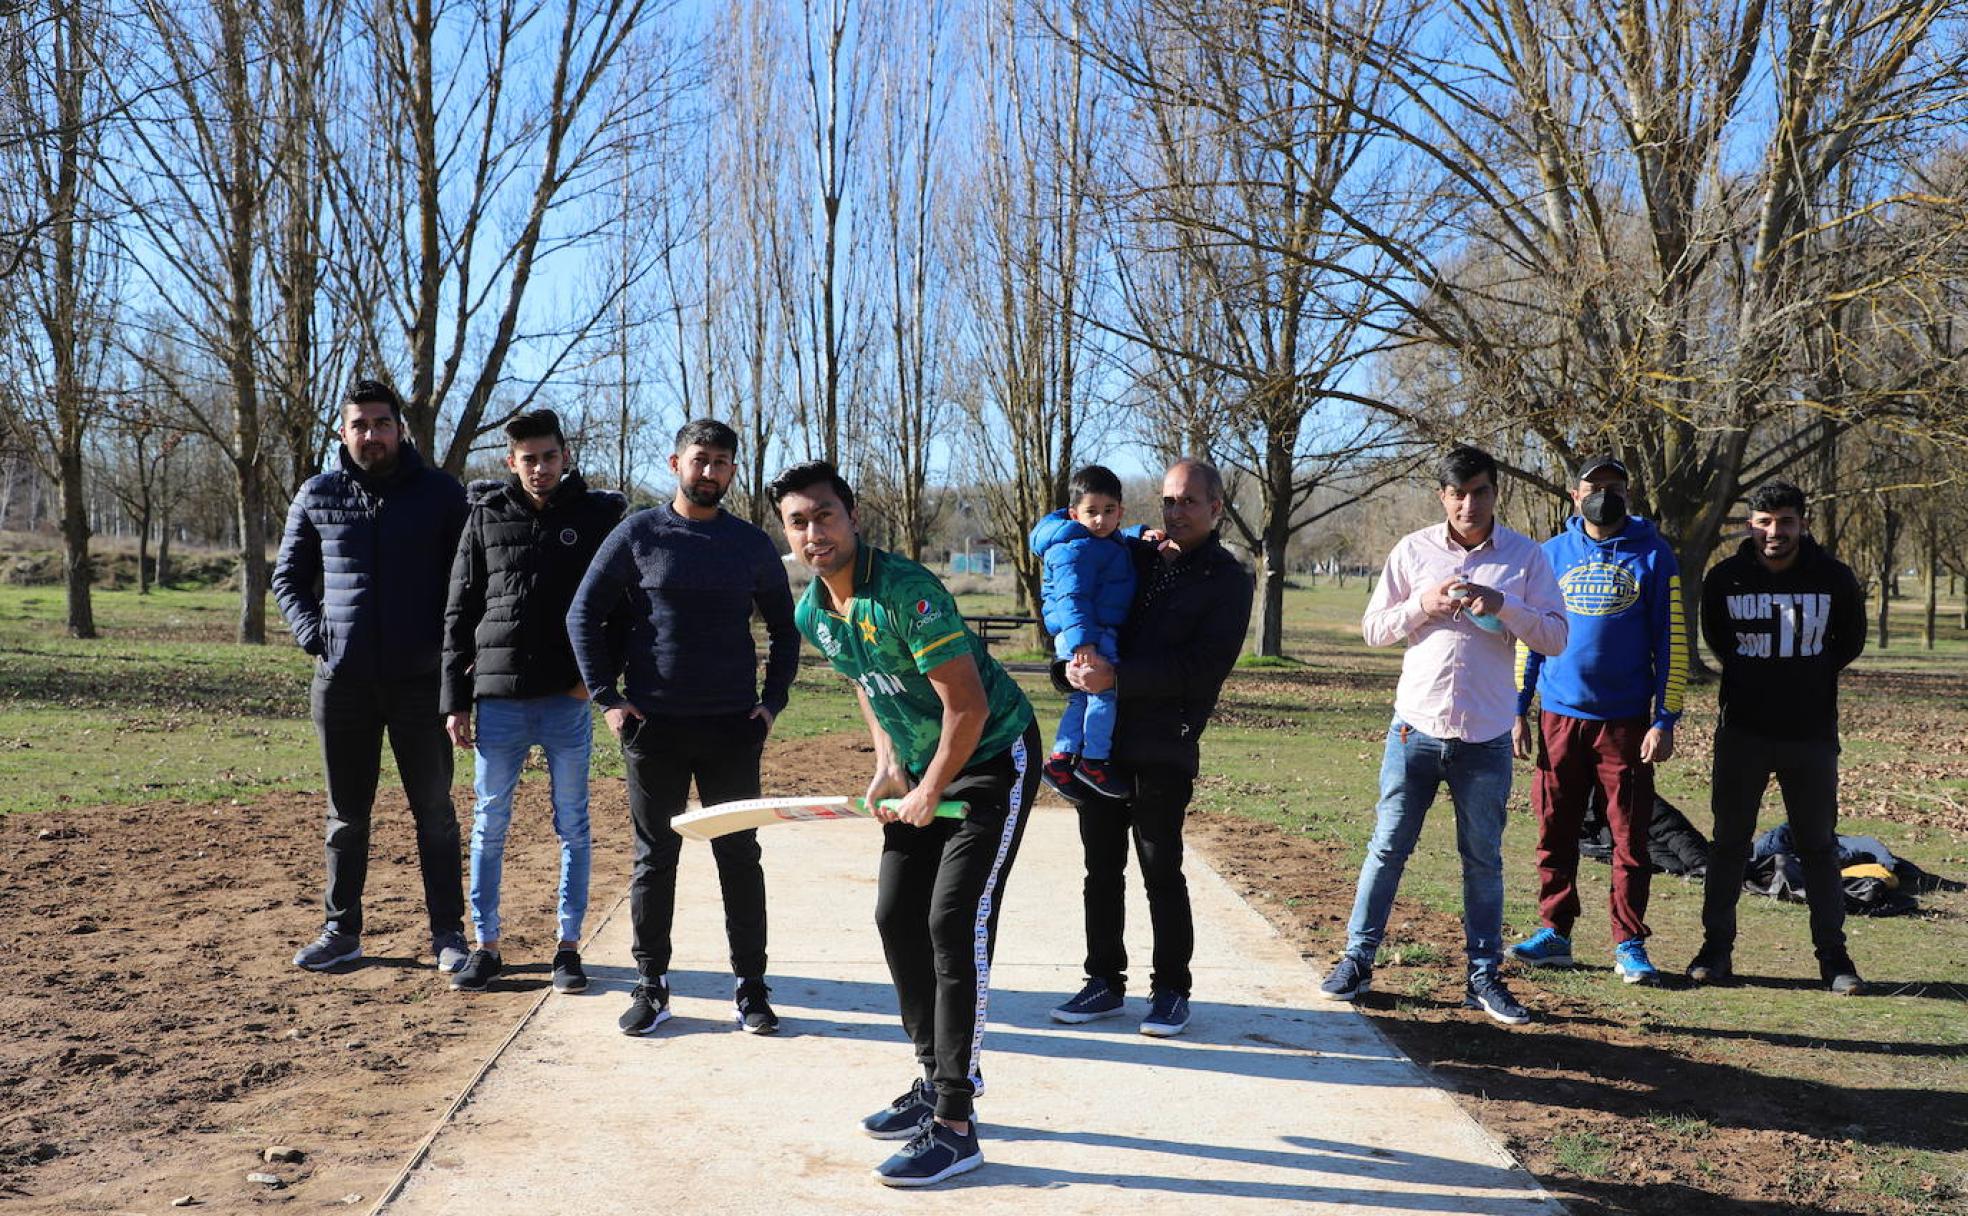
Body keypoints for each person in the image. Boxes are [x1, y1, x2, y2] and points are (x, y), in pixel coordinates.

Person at [770, 460, 1040, 1189]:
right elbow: (869, 684)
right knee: (896, 917)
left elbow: (969, 707)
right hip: (923, 766)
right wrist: (890, 763)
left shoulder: (908, 594)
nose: (812, 532)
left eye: (824, 515)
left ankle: (956, 1124)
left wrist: (929, 787)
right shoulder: (814, 613)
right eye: (797, 522)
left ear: (852, 517)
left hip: (990, 759)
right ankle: (931, 1077)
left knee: (954, 923)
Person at [565, 419, 799, 1036]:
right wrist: (608, 700)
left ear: (731, 470)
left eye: (723, 461)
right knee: (654, 859)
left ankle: (750, 989)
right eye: (701, 459)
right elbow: (582, 613)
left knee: (739, 856)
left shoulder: (749, 544)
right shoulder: (639, 533)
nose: (711, 471)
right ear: (676, 464)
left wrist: (771, 703)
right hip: (654, 727)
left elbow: (785, 627)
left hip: (731, 728)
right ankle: (652, 985)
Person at [1319, 445, 1567, 1025]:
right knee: (1387, 849)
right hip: (1415, 731)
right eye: (1457, 493)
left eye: (1479, 491)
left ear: (1493, 492)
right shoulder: (1413, 550)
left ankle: (1483, 976)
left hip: (1485, 737)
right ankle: (1357, 960)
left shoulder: (1525, 557)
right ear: (1442, 496)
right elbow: (1374, 630)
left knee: (1483, 861)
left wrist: (1506, 606)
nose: (1468, 503)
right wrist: (1422, 605)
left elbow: (1556, 637)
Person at [1048, 458, 1252, 1038]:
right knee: (1100, 871)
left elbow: (1202, 668)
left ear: (1216, 508)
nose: (1176, 511)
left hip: (1165, 745)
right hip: (1101, 746)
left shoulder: (1227, 579)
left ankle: (1170, 992)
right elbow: (1086, 615)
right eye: (1167, 500)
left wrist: (1118, 679)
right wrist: (1071, 671)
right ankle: (1104, 982)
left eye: (1189, 501)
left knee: (1162, 871)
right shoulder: (1130, 555)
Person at [275, 379, 469, 974]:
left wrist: (454, 665)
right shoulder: (317, 493)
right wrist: (318, 638)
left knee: (434, 812)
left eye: (382, 424)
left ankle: (448, 935)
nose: (372, 435)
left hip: (421, 683)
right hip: (343, 685)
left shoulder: (441, 494)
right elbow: (288, 580)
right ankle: (341, 931)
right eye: (360, 425)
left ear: (399, 429)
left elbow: (468, 584)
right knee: (346, 816)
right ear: (343, 431)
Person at [439, 410, 626, 994]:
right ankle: (485, 945)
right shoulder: (485, 516)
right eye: (528, 459)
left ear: (564, 456)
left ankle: (568, 949)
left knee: (573, 824)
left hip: (566, 702)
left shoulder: (598, 518)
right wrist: (456, 699)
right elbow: (459, 611)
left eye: (549, 456)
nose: (539, 468)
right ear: (510, 462)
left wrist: (593, 683)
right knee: (489, 825)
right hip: (498, 700)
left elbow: (620, 611)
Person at [1508, 455, 1687, 985]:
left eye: (1613, 486)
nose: (1603, 494)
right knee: (1554, 829)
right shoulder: (1550, 555)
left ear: (1627, 493)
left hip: (1627, 723)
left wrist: (1665, 717)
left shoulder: (1655, 555)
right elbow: (1529, 637)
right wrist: (1519, 709)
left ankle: (1629, 943)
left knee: (1629, 838)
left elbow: (1672, 640)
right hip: (1559, 718)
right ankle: (1555, 932)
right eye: (1593, 486)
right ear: (1573, 494)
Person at [1693, 481, 1867, 994]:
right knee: (1728, 845)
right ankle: (1715, 949)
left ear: (1802, 523)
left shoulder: (1834, 578)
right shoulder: (1725, 579)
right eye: (1765, 521)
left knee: (1817, 847)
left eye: (1785, 521)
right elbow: (1719, 641)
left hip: (1810, 735)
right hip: (1743, 732)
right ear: (1750, 524)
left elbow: (1848, 642)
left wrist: (1804, 679)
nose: (1775, 532)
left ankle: (1833, 958)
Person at [1029, 463, 1137, 800]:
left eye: (1109, 511)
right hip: (1087, 632)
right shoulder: (1074, 548)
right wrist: (1084, 643)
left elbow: (1118, 542)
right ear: (1075, 514)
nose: (1101, 520)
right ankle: (1094, 761)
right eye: (1092, 512)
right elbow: (1071, 597)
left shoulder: (1100, 541)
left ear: (1120, 512)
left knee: (1081, 696)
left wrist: (1143, 531)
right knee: (1104, 692)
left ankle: (1061, 760)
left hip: (1088, 631)